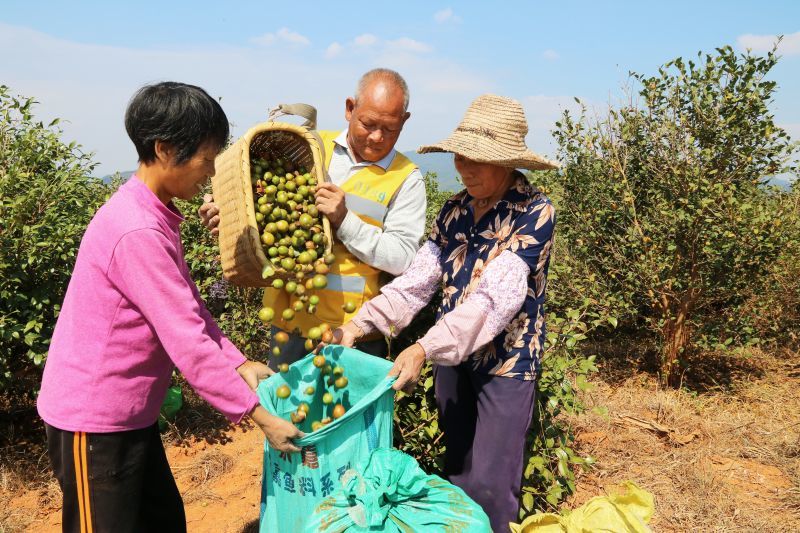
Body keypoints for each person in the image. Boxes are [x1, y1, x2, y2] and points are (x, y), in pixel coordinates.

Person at [37, 82, 302, 533]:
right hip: (94, 422)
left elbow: (189, 306)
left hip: (130, 414)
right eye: (206, 157)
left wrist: (239, 362)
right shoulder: (136, 229)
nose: (210, 172)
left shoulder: (155, 214)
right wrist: (260, 418)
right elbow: (185, 339)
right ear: (163, 149)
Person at [330, 94, 559, 531]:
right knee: (456, 467)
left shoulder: (534, 211)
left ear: (509, 162)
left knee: (492, 485)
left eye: (479, 160)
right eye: (461, 156)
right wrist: (357, 326)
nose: (465, 168)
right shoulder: (454, 210)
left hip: (506, 365)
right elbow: (418, 281)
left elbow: (493, 302)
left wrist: (421, 348)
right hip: (453, 359)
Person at [200, 68, 426, 367]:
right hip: (289, 326)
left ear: (405, 121)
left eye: (390, 128)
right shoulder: (313, 147)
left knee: (344, 414)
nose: (376, 137)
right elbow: (259, 207)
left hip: (352, 336)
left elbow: (402, 259)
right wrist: (226, 217)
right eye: (368, 124)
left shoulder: (406, 179)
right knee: (283, 413)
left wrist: (344, 221)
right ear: (349, 109)